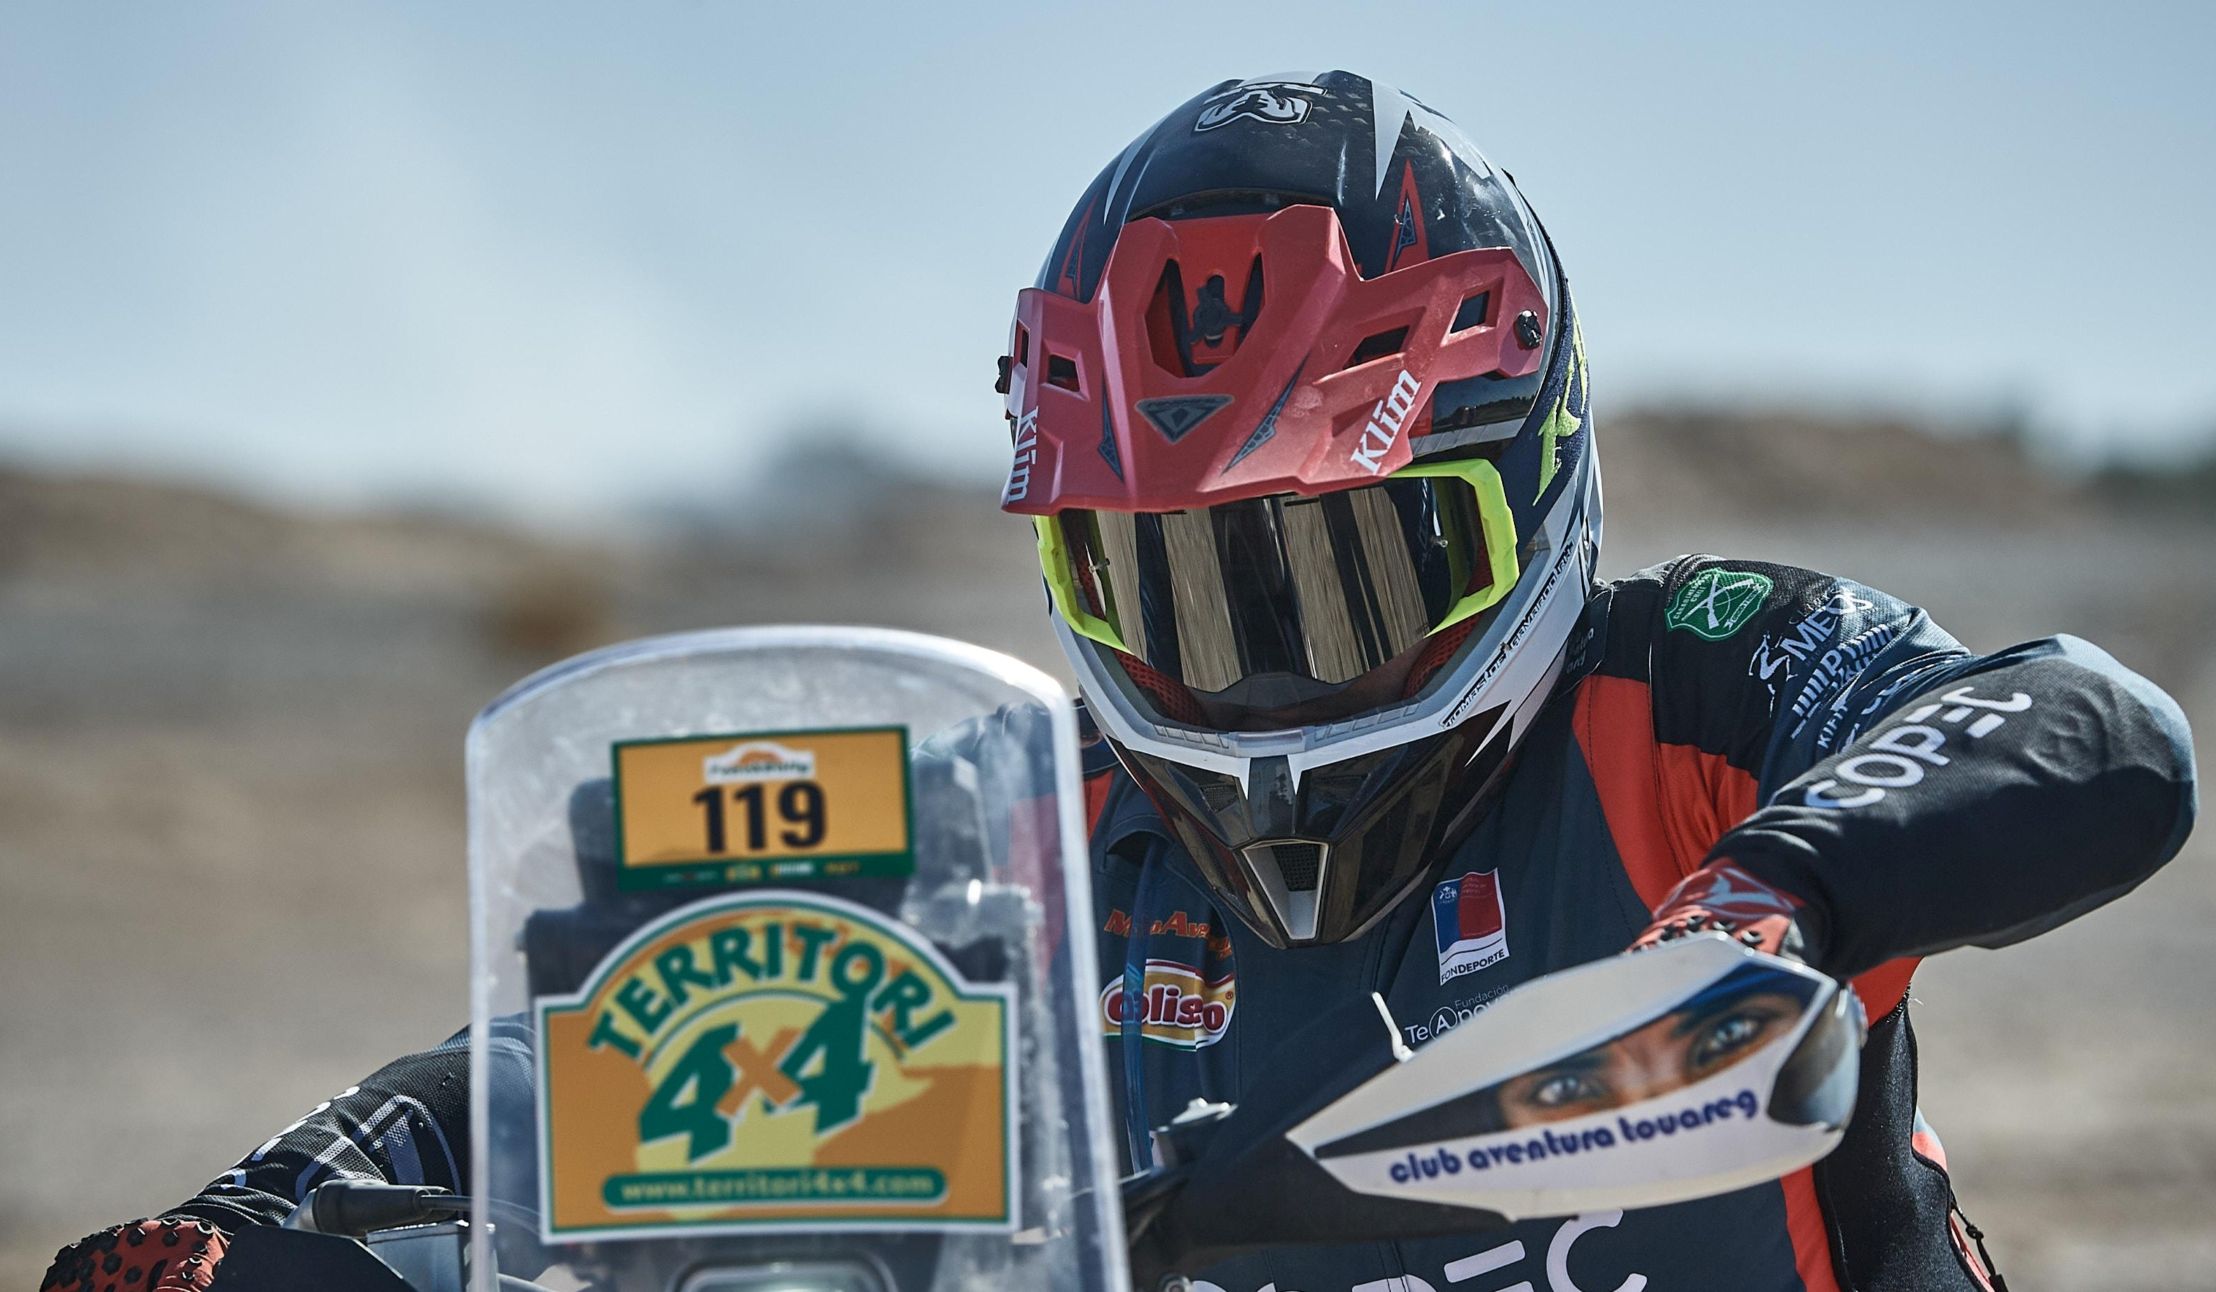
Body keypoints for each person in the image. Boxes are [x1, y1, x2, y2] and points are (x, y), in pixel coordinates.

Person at [44, 71, 2196, 1292]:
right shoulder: (1030, 830)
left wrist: (1781, 897)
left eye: (1341, 569)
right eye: (1170, 582)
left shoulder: (1692, 695)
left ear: (1531, 488)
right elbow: (619, 1060)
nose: (1260, 674)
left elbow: (2096, 726)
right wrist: (270, 1211)